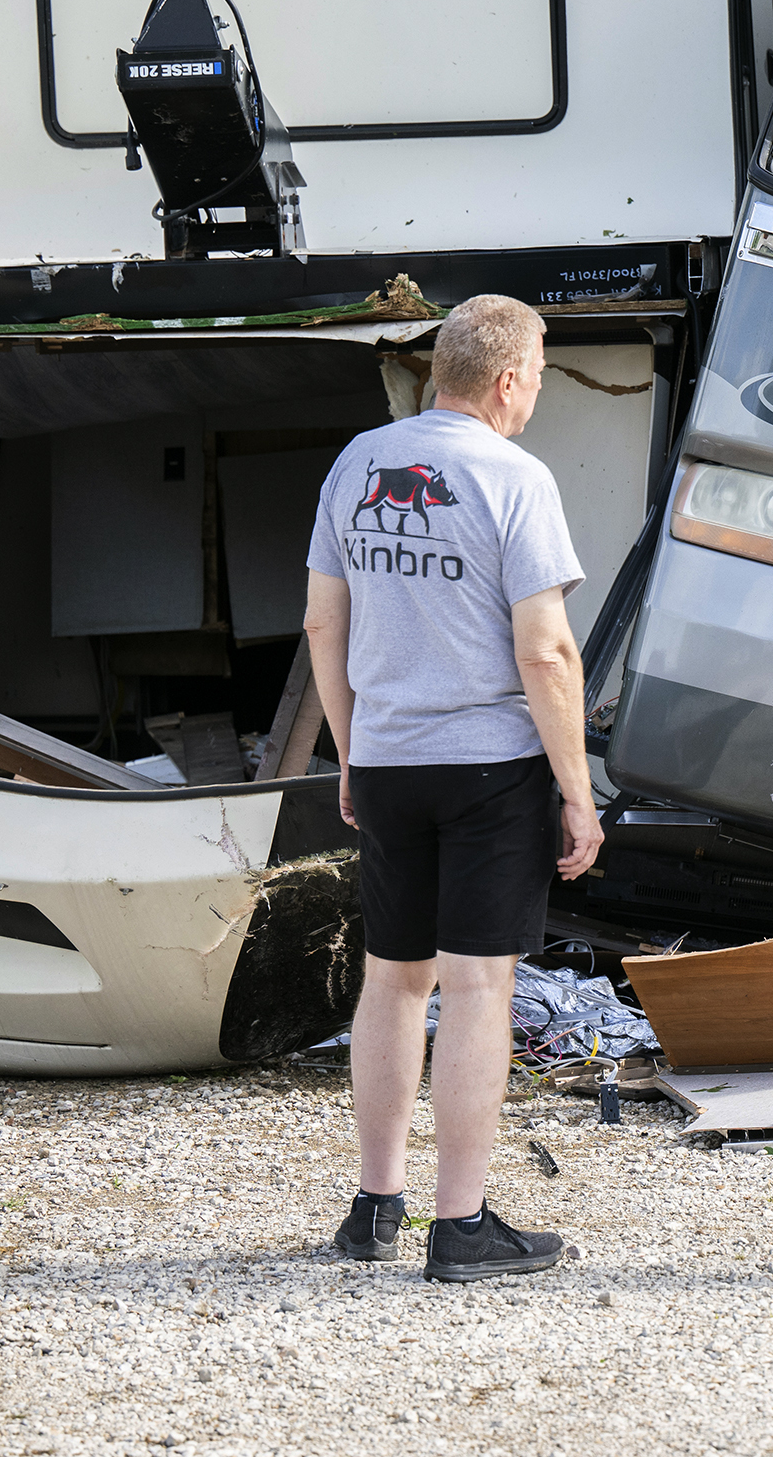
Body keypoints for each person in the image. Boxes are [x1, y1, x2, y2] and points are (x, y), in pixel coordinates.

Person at [301, 294, 603, 1282]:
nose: (539, 391)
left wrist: (350, 751)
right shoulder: (515, 477)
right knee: (478, 983)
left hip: (387, 757)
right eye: (542, 371)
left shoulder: (358, 462)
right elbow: (546, 649)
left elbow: (321, 627)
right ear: (509, 379)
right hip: (485, 765)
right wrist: (578, 788)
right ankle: (462, 1224)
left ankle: (374, 1205)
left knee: (393, 978)